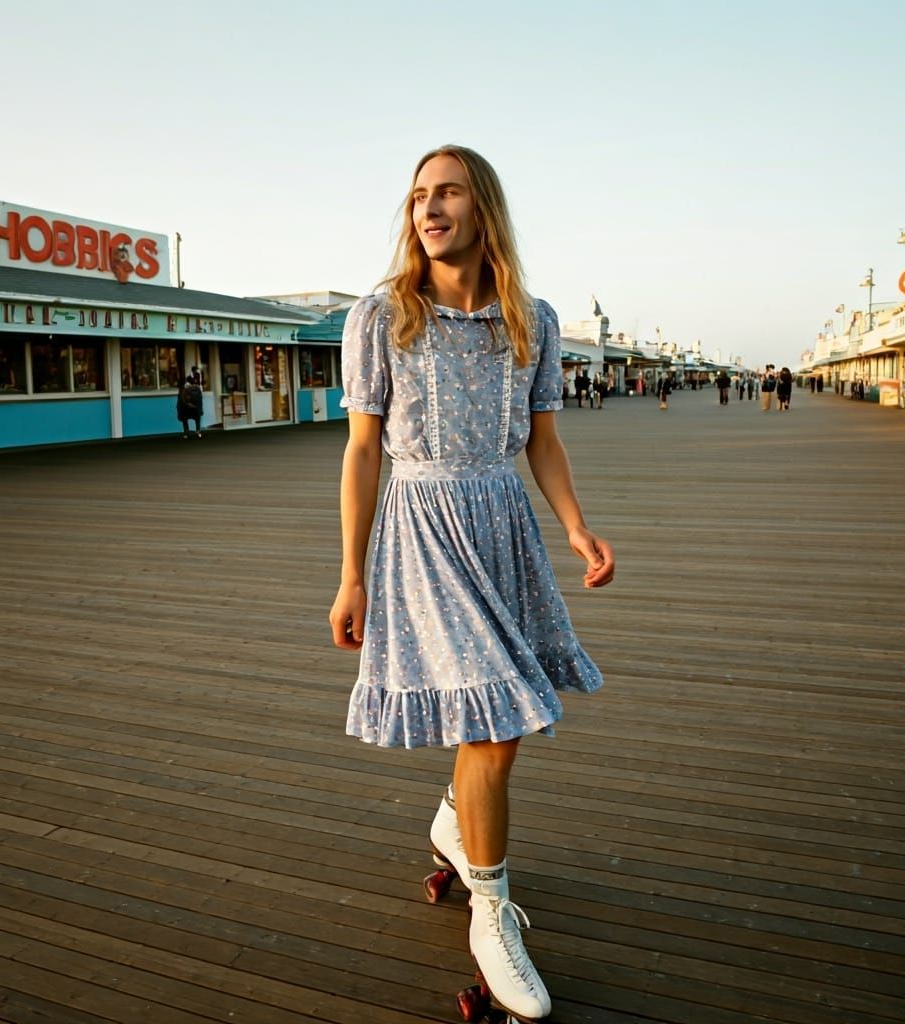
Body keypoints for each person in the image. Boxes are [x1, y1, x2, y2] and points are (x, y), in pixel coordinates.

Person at [328, 145, 614, 1023]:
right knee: (496, 717)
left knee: (500, 705)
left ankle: (458, 820)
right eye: (419, 194)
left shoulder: (533, 320)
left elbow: (543, 441)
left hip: (504, 525)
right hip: (422, 528)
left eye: (447, 191)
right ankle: (491, 914)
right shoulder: (382, 316)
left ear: (482, 208)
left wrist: (574, 526)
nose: (429, 207)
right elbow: (363, 451)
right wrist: (350, 576)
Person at [177, 369, 203, 438]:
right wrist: (200, 410)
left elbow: (180, 400)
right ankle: (198, 431)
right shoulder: (197, 388)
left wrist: (179, 410)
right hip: (195, 407)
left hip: (186, 407)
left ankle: (186, 433)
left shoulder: (183, 389)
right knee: (197, 418)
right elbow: (200, 400)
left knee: (185, 419)